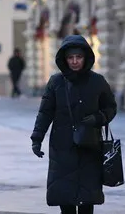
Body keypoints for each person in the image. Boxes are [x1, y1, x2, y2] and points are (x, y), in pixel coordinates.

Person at [30, 35, 117, 214]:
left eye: (79, 57)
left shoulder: (97, 81)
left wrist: (98, 118)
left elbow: (110, 107)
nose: (75, 61)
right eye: (71, 57)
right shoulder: (56, 82)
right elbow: (45, 113)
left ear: (86, 58)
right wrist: (36, 139)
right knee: (65, 197)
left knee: (87, 199)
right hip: (62, 146)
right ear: (65, 59)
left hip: (89, 145)